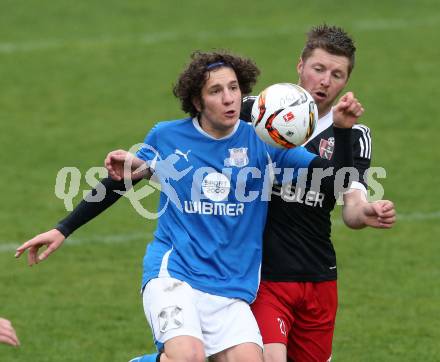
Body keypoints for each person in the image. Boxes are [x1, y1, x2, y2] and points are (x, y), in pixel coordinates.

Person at [15, 50, 359, 362]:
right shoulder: (168, 137)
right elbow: (126, 178)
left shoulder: (263, 140)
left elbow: (336, 181)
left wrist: (342, 131)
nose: (229, 99)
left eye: (234, 88)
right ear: (197, 101)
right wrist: (63, 228)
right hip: (175, 275)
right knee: (189, 357)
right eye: (215, 91)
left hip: (231, 287)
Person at [240, 24, 396, 362]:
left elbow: (351, 208)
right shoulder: (257, 111)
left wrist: (366, 213)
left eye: (337, 74)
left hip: (318, 276)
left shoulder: (353, 134)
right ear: (300, 66)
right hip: (264, 274)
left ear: (346, 82)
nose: (325, 81)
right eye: (319, 69)